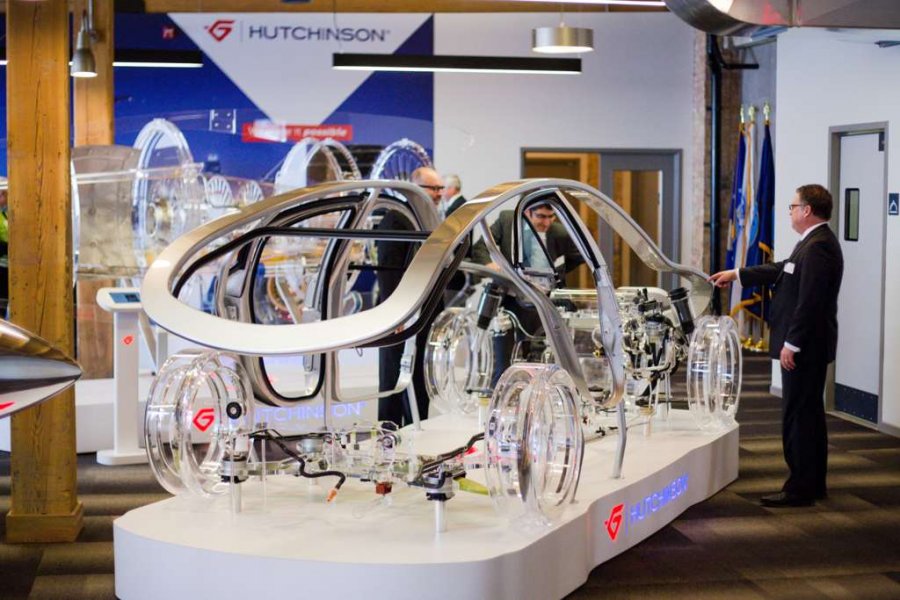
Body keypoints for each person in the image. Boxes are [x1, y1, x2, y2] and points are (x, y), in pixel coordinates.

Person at [709, 184, 843, 507]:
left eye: (793, 206)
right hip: (808, 346)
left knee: (798, 417)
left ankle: (799, 489)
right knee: (807, 414)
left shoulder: (819, 247)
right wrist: (737, 274)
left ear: (807, 210)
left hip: (805, 347)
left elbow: (810, 302)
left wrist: (792, 344)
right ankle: (812, 483)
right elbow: (782, 269)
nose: (790, 212)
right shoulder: (812, 242)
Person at [472, 200, 583, 385]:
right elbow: (481, 246)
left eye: (551, 217)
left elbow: (578, 256)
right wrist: (492, 265)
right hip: (510, 297)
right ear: (527, 213)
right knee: (503, 358)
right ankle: (499, 395)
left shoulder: (559, 232)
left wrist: (556, 273)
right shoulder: (507, 220)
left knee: (537, 358)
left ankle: (532, 396)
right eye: (541, 216)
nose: (546, 222)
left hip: (541, 301)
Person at [375, 167, 443, 426]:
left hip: (424, 314)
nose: (439, 193)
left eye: (440, 188)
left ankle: (417, 430)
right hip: (400, 317)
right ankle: (389, 435)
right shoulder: (396, 218)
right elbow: (388, 271)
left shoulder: (429, 220)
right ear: (416, 189)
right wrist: (397, 314)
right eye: (433, 188)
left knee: (419, 382)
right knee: (393, 380)